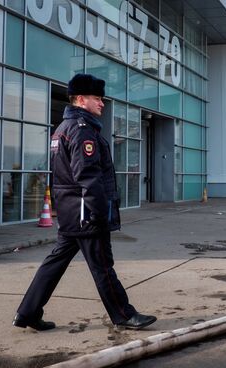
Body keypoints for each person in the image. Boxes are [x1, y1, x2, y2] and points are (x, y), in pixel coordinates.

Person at [13, 74, 156, 331]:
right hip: (85, 213)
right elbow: (87, 176)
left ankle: (27, 313)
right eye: (97, 98)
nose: (102, 103)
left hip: (71, 212)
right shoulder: (82, 131)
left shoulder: (63, 129)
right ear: (81, 99)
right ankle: (123, 314)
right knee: (103, 266)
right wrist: (99, 213)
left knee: (55, 263)